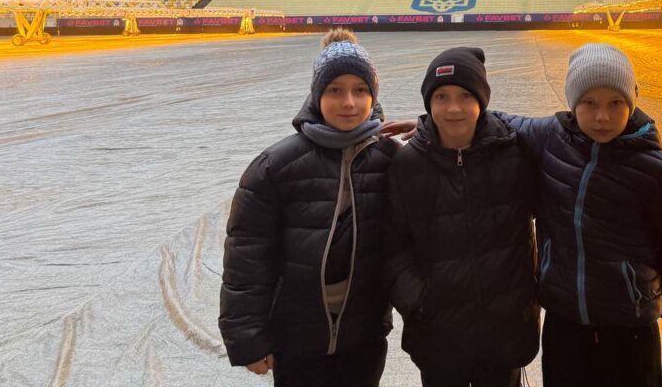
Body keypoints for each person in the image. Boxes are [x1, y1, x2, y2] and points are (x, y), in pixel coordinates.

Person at [496, 42, 662, 387]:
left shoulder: (659, 171)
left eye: (615, 103)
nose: (602, 116)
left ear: (632, 102)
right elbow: (496, 121)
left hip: (629, 328)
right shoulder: (550, 139)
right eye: (589, 103)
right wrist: (436, 125)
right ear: (573, 103)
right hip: (565, 322)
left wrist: (653, 302)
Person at [219, 29, 399, 387]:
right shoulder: (276, 166)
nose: (349, 102)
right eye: (335, 90)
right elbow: (247, 257)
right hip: (296, 335)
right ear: (317, 95)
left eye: (360, 90)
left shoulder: (392, 160)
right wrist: (248, 337)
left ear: (373, 96)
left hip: (363, 333)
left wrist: (428, 128)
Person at [385, 47, 540, 387]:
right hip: (438, 334)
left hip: (505, 331)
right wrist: (418, 301)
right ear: (428, 103)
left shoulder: (515, 154)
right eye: (441, 97)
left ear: (482, 101)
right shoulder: (407, 165)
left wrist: (526, 296)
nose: (453, 108)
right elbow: (392, 245)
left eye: (465, 96)